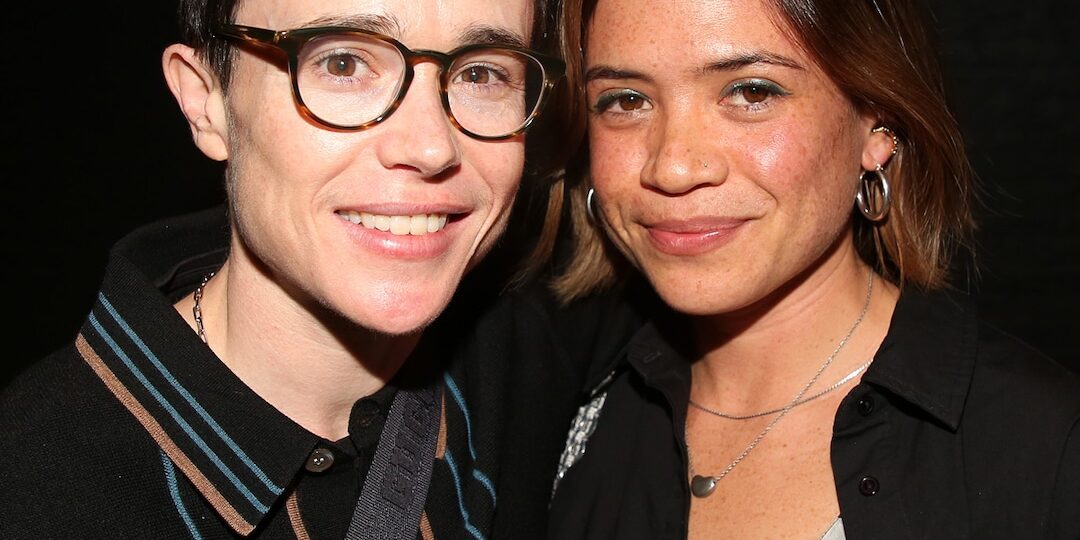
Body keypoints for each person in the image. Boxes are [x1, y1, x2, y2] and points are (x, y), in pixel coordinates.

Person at [0, 0, 634, 537]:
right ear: (205, 100)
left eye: (482, 73)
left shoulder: (531, 355)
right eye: (344, 63)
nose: (430, 146)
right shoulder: (39, 490)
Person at [544, 0, 1080, 538]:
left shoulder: (1046, 449)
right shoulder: (556, 411)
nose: (673, 167)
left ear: (878, 123)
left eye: (751, 92)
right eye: (626, 100)